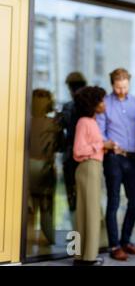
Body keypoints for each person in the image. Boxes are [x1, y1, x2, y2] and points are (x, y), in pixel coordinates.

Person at [96, 68, 135, 261]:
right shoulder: (105, 104)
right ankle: (114, 245)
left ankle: (126, 241)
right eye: (118, 87)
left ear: (129, 83)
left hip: (132, 158)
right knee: (114, 202)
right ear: (112, 85)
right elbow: (99, 132)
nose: (121, 90)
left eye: (125, 86)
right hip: (113, 158)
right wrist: (108, 143)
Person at [72, 86, 111, 266]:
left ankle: (81, 257)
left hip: (92, 168)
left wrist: (103, 145)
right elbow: (78, 151)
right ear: (93, 103)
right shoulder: (84, 122)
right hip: (88, 168)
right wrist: (100, 146)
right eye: (101, 100)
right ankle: (87, 258)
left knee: (86, 213)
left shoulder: (92, 121)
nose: (104, 104)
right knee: (90, 214)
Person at [28, 89, 63, 246]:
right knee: (46, 208)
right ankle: (49, 240)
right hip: (45, 169)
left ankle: (23, 242)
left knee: (27, 209)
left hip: (25, 169)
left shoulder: (24, 122)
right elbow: (61, 146)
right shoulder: (53, 124)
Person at [59, 72, 87, 214]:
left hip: (75, 154)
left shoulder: (72, 107)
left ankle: (77, 230)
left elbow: (60, 126)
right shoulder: (86, 107)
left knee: (75, 196)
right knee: (80, 196)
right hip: (78, 155)